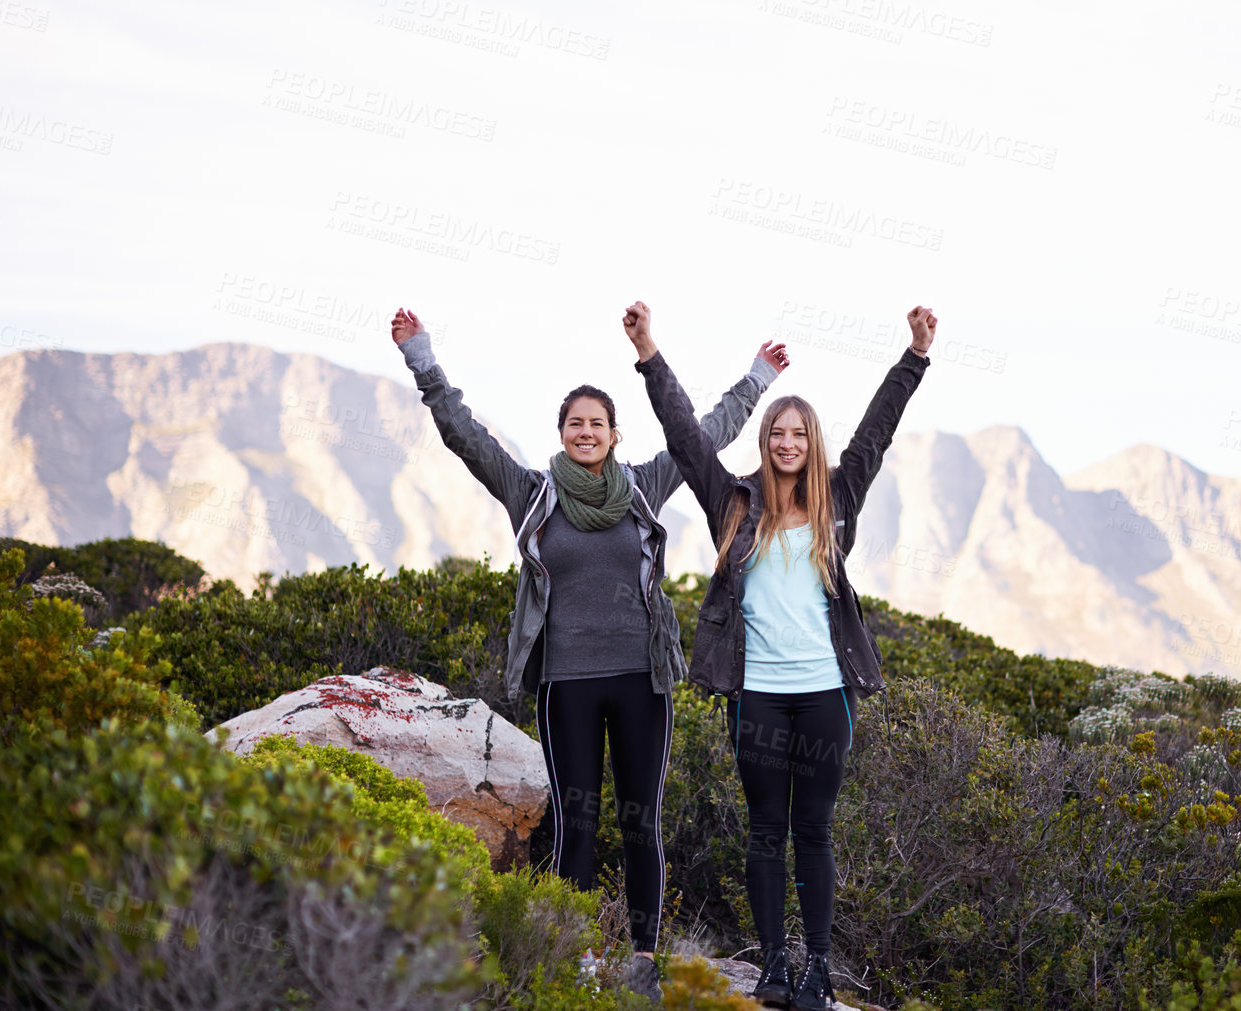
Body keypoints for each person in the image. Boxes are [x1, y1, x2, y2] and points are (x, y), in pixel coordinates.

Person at [389, 306, 789, 1003]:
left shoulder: (643, 484)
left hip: (642, 680)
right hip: (566, 683)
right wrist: (420, 356)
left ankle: (641, 956)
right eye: (574, 423)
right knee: (577, 820)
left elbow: (704, 434)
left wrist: (758, 378)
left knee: (642, 818)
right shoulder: (532, 493)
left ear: (612, 433)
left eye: (595, 423)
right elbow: (462, 433)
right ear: (562, 434)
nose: (584, 432)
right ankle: (570, 953)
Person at [624, 300, 936, 1011]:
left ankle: (817, 970)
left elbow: (875, 432)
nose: (787, 442)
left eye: (798, 433)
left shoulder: (837, 499)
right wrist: (648, 353)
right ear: (763, 440)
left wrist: (913, 356)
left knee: (813, 831)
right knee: (765, 830)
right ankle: (770, 967)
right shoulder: (731, 501)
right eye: (777, 432)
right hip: (756, 693)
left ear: (810, 442)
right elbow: (683, 434)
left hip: (826, 695)